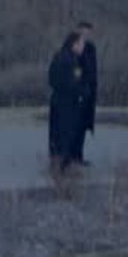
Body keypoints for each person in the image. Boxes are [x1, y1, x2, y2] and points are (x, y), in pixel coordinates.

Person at [47, 31, 85, 174]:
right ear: (74, 44)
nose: (83, 47)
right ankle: (64, 166)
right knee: (67, 133)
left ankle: (55, 162)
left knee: (56, 133)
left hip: (56, 100)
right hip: (68, 102)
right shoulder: (72, 60)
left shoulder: (57, 57)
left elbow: (51, 79)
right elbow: (74, 83)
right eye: (81, 44)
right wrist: (83, 91)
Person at [70, 20, 98, 165]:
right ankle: (71, 155)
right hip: (78, 91)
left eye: (88, 33)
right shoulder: (72, 47)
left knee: (83, 125)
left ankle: (78, 155)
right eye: (84, 32)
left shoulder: (91, 48)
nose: (86, 35)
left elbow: (93, 70)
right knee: (74, 124)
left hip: (89, 91)